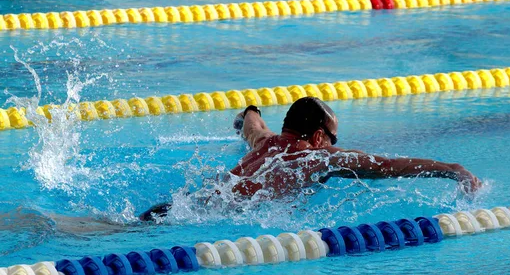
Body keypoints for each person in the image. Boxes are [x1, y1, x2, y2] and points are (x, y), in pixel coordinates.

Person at [139, 96, 481, 221]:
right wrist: (453, 170)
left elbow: (250, 120)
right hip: (199, 221)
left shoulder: (264, 141)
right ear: (319, 137)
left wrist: (247, 113)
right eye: (333, 139)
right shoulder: (316, 159)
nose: (335, 145)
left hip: (176, 207)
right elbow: (387, 166)